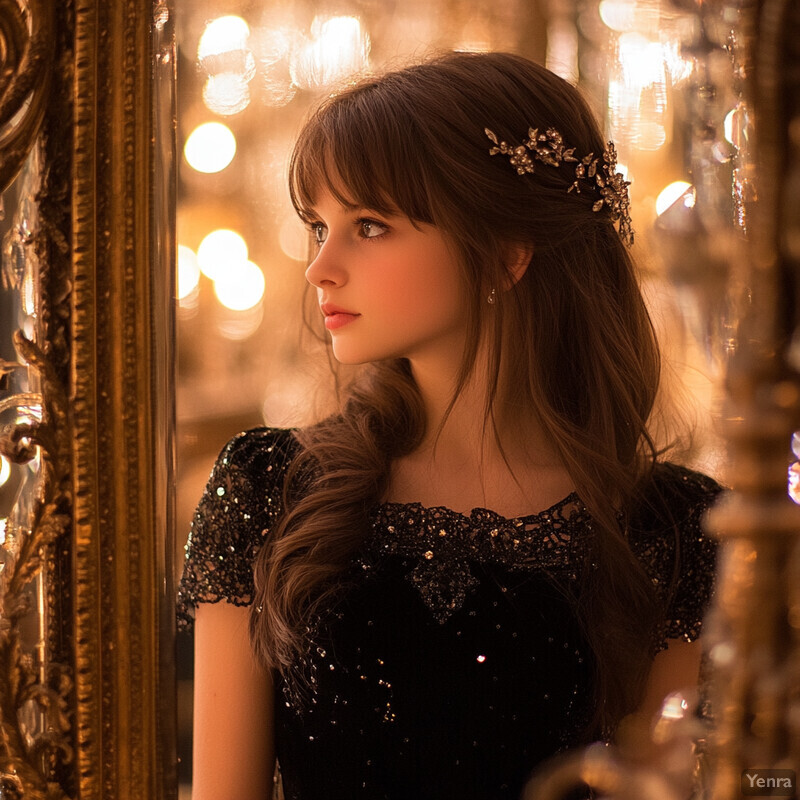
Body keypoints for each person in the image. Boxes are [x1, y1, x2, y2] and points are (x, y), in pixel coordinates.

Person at [177, 51, 722, 800]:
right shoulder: (268, 490)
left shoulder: (675, 530)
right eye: (318, 226)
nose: (320, 268)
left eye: (368, 226)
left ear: (505, 255)